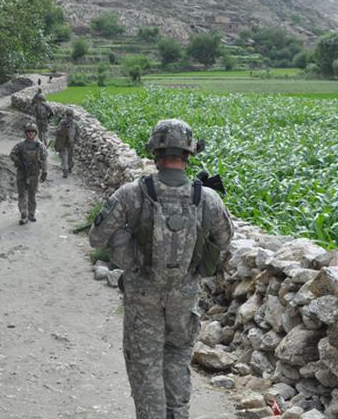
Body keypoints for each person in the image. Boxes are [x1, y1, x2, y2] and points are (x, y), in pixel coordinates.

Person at [89, 119, 234, 419]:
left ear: (155, 152)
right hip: (184, 295)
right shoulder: (206, 198)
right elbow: (225, 239)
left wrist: (128, 248)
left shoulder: (132, 193)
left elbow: (97, 237)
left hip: (143, 295)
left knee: (145, 367)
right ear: (188, 155)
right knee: (178, 358)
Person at [9, 122, 49, 225]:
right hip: (22, 173)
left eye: (32, 132)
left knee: (32, 195)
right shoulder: (20, 145)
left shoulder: (39, 145)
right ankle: (23, 214)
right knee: (22, 195)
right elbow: (12, 154)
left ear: (36, 133)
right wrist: (19, 162)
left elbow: (44, 159)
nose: (30, 134)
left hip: (34, 173)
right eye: (28, 132)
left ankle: (31, 213)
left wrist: (45, 171)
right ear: (25, 133)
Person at [54, 107, 78, 178]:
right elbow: (78, 132)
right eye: (68, 115)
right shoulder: (67, 122)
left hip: (67, 142)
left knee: (67, 156)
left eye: (69, 115)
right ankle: (66, 169)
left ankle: (67, 168)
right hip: (66, 142)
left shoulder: (68, 122)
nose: (69, 117)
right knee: (66, 156)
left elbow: (57, 131)